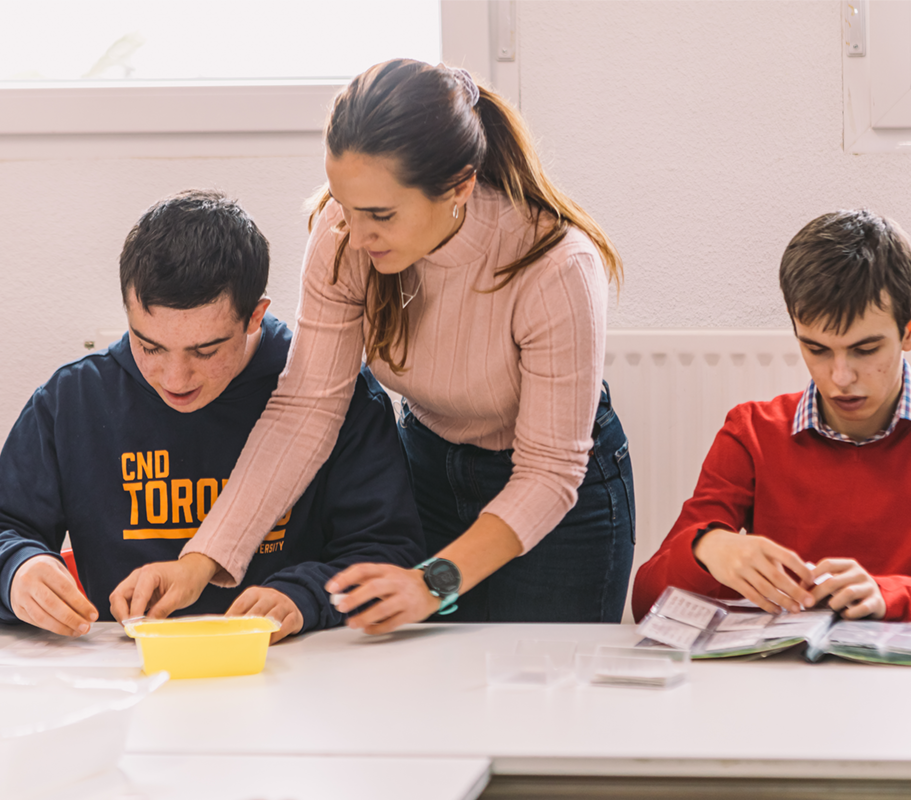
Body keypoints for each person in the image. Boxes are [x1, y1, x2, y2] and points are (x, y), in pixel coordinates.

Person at [111, 59, 635, 630]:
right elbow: (306, 407)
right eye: (344, 202)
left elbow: (549, 473)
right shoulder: (343, 234)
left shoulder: (555, 266)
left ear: (459, 184)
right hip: (431, 469)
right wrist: (199, 560)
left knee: (542, 704)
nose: (355, 236)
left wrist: (433, 582)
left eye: (380, 214)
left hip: (559, 505)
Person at [0, 190, 425, 642]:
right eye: (149, 345)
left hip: (289, 677)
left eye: (206, 349)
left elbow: (391, 555)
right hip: (125, 679)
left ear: (255, 316)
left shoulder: (334, 391)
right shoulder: (72, 401)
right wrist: (15, 572)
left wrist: (303, 597)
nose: (175, 378)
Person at [631, 209, 911, 626]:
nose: (841, 378)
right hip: (792, 680)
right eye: (816, 350)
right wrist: (706, 549)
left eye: (866, 349)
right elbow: (646, 605)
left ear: (910, 330)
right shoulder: (751, 433)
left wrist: (891, 597)